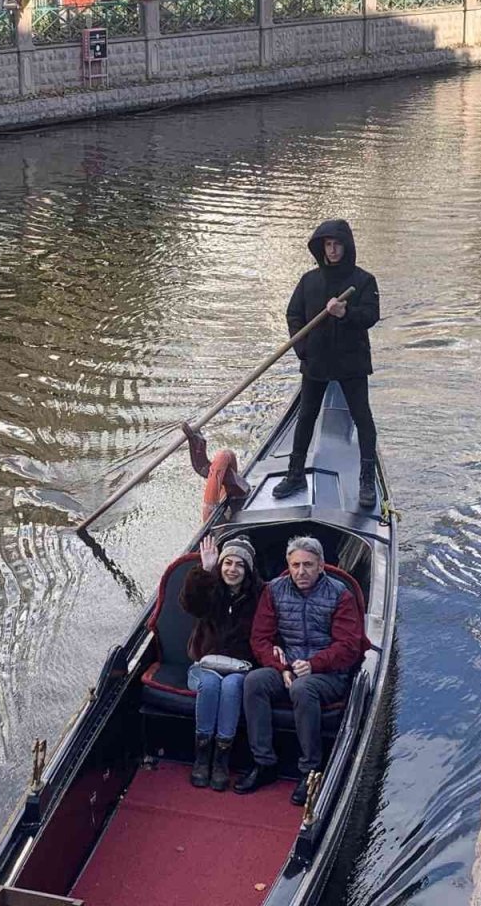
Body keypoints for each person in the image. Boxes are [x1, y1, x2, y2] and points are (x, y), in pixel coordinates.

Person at [235, 536, 364, 805]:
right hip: (287, 667)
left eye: (307, 565)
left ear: (321, 566)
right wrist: (279, 666)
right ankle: (264, 762)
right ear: (288, 565)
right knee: (254, 681)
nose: (300, 572)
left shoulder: (341, 594)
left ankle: (310, 771)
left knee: (303, 689)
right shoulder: (275, 590)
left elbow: (350, 646)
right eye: (295, 565)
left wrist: (314, 664)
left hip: (329, 674)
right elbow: (260, 638)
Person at [272, 219, 381, 508]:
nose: (332, 250)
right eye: (328, 245)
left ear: (347, 246)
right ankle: (295, 474)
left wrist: (345, 313)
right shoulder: (309, 281)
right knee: (306, 416)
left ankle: (366, 479)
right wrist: (302, 348)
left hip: (351, 361)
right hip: (316, 360)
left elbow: (371, 315)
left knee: (363, 418)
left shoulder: (363, 281)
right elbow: (294, 315)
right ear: (322, 248)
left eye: (337, 244)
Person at [179, 534, 262, 791]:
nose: (232, 569)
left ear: (247, 569)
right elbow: (189, 603)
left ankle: (221, 761)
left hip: (240, 668)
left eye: (239, 564)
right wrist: (205, 570)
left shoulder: (259, 596)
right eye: (227, 563)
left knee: (232, 685)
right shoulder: (210, 589)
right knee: (212, 684)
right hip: (204, 666)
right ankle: (202, 758)